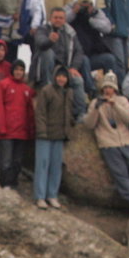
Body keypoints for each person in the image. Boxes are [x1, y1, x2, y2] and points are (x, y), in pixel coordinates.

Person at [82, 76, 129, 209]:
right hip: (108, 142)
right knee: (120, 172)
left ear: (115, 89)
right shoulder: (95, 102)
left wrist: (115, 105)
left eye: (111, 88)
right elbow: (89, 124)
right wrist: (96, 108)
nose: (108, 90)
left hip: (126, 140)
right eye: (106, 87)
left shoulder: (122, 100)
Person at [31, 65, 73, 208]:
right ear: (55, 76)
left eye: (64, 76)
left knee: (56, 167)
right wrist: (41, 131)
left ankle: (52, 195)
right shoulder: (47, 91)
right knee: (42, 165)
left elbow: (69, 114)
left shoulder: (68, 93)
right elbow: (40, 112)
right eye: (59, 76)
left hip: (59, 135)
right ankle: (39, 196)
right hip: (45, 134)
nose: (61, 79)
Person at [0, 60, 34, 190]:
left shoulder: (26, 89)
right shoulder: (3, 85)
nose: (19, 72)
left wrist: (30, 130)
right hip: (6, 131)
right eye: (17, 69)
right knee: (6, 160)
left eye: (21, 69)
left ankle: (13, 183)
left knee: (17, 161)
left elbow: (30, 111)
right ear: (12, 70)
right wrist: (1, 127)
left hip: (21, 131)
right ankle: (5, 183)